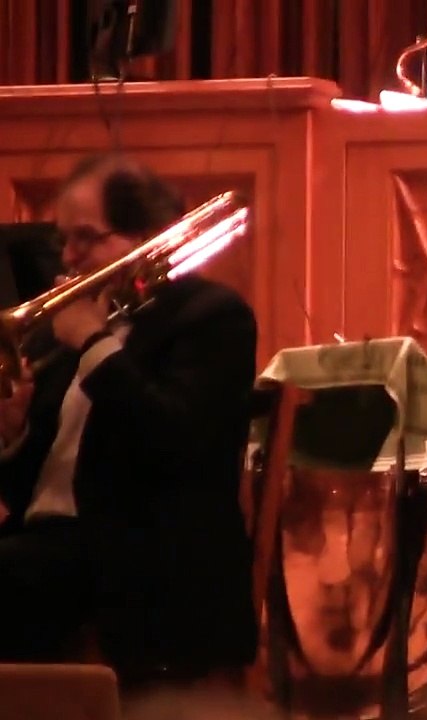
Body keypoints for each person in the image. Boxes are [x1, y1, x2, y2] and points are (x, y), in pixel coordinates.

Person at [0, 154, 259, 694]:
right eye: (62, 240)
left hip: (143, 560)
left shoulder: (212, 317)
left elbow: (176, 445)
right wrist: (14, 434)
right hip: (52, 556)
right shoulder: (64, 334)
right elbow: (34, 496)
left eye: (86, 238)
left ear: (147, 237)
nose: (67, 259)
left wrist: (95, 346)